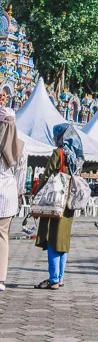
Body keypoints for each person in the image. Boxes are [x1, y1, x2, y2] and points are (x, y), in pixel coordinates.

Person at [35, 124, 84, 289]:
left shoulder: (59, 153)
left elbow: (48, 176)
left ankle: (54, 278)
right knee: (63, 240)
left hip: (56, 202)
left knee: (53, 239)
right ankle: (60, 277)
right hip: (70, 203)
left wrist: (38, 192)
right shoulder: (77, 157)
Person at [0, 107, 27, 292]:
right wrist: (17, 194)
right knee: (3, 236)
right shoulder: (21, 146)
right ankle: (1, 279)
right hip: (8, 196)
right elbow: (21, 177)